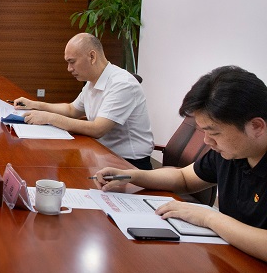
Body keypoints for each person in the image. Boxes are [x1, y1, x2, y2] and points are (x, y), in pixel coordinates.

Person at [94, 65, 267, 262]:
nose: (207, 141)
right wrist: (132, 175)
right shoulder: (232, 153)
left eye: (214, 133)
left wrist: (208, 217)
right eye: (204, 132)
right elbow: (184, 177)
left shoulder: (234, 150)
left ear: (256, 126)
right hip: (234, 259)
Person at [13, 32, 154, 169]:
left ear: (92, 56)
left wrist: (49, 118)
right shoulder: (92, 81)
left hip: (129, 164)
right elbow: (71, 110)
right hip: (102, 154)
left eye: (72, 62)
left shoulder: (122, 84)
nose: (69, 69)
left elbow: (98, 129)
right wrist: (35, 105)